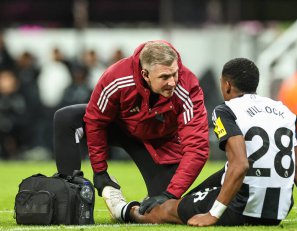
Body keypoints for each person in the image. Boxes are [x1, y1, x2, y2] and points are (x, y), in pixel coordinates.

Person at [102, 58, 297, 227]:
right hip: (277, 212)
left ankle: (126, 211)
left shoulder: (226, 110)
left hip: (242, 208)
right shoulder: (284, 110)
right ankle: (184, 200)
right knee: (218, 177)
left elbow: (240, 165)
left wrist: (213, 214)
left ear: (227, 85)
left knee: (167, 209)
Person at [53, 40, 209, 215]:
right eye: (164, 77)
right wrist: (100, 171)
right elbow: (96, 121)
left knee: (162, 208)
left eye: (175, 73)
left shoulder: (188, 86)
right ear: (145, 74)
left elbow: (197, 148)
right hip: (120, 127)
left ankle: (131, 209)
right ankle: (69, 200)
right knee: (66, 118)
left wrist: (170, 193)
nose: (172, 82)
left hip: (158, 143)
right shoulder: (117, 77)